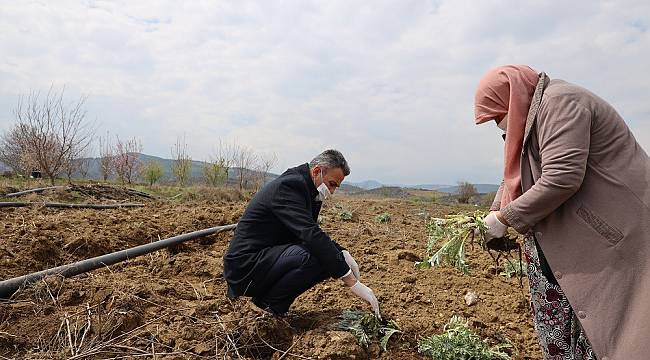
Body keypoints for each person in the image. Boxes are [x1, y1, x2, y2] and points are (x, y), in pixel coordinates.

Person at [474, 64, 650, 360]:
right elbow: (514, 173)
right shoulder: (530, 118)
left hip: (607, 235)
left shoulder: (561, 103)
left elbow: (562, 177)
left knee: (612, 327)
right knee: (566, 329)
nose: (498, 126)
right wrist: (494, 211)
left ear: (513, 98)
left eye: (497, 117)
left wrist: (505, 219)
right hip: (569, 238)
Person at [223, 149, 380, 317]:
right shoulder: (289, 187)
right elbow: (310, 235)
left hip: (266, 259)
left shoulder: (309, 189)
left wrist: (342, 252)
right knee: (317, 256)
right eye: (332, 184)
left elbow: (310, 231)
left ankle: (269, 303)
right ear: (317, 171)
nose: (332, 191)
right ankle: (269, 306)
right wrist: (351, 282)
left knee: (329, 257)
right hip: (245, 266)